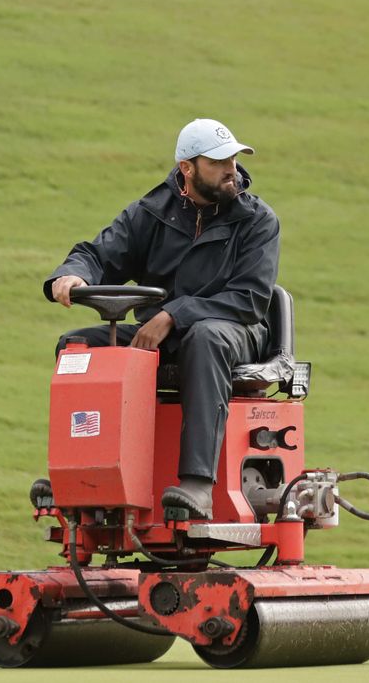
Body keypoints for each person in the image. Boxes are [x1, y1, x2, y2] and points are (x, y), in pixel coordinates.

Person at [43, 119, 281, 519]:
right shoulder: (151, 213)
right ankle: (81, 472)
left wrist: (174, 313)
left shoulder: (257, 221)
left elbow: (250, 298)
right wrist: (72, 274)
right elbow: (99, 254)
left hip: (236, 330)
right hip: (163, 334)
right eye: (219, 161)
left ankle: (198, 485)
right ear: (187, 168)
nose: (232, 170)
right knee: (77, 348)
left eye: (234, 159)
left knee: (205, 338)